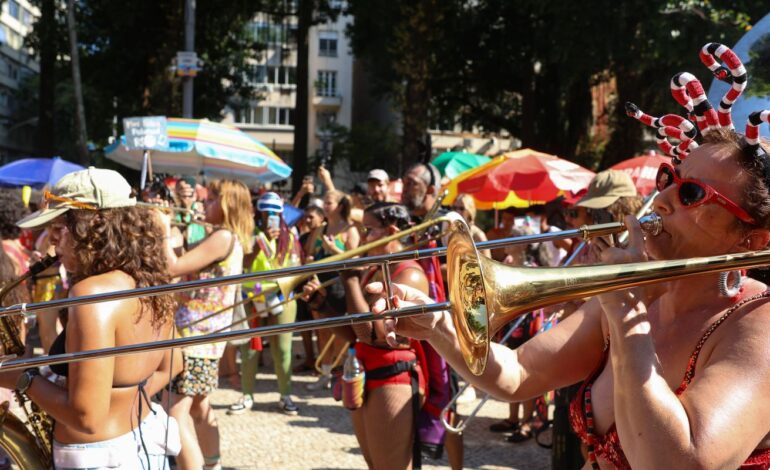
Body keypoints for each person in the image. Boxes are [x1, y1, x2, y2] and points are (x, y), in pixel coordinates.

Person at [374, 52, 770, 466]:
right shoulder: (633, 300)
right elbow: (518, 374)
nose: (665, 199)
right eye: (671, 178)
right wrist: (438, 326)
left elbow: (679, 462)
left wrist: (626, 314)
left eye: (693, 194)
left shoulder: (758, 327)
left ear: (751, 239)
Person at [3, 167, 181, 469]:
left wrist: (21, 377)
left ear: (94, 226)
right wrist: (120, 400)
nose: (52, 243)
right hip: (140, 447)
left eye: (59, 229)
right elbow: (172, 364)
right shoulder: (149, 279)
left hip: (97, 457)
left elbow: (87, 418)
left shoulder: (92, 294)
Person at [304, 202, 430, 470]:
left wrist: (350, 281)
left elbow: (380, 337)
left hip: (393, 376)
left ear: (391, 231)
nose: (362, 238)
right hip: (368, 372)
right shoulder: (375, 269)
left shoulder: (408, 274)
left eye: (369, 230)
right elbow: (355, 335)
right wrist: (321, 305)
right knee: (375, 464)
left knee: (391, 466)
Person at [160, 179, 254, 470]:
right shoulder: (226, 236)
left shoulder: (223, 237)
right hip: (205, 337)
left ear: (227, 205)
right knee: (200, 408)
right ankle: (212, 465)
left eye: (211, 198)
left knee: (173, 413)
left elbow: (172, 267)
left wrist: (163, 229)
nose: (204, 203)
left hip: (194, 337)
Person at [228, 192, 302, 415]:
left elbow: (298, 266)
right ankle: (247, 395)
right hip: (252, 297)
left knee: (282, 349)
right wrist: (260, 246)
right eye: (266, 212)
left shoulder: (289, 236)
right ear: (259, 212)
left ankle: (285, 395)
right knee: (249, 349)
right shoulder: (249, 234)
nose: (270, 216)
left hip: (281, 296)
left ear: (280, 214)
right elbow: (244, 263)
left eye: (274, 212)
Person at [305, 189, 360, 390]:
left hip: (340, 286)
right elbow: (310, 252)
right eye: (325, 203)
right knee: (322, 332)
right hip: (321, 285)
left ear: (340, 206)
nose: (325, 207)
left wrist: (334, 250)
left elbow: (355, 260)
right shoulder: (321, 229)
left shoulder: (350, 229)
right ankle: (325, 373)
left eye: (329, 203)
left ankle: (338, 374)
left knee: (340, 334)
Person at [451, 193, 491, 258]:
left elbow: (488, 265)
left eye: (461, 208)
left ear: (470, 212)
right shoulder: (452, 231)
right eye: (454, 208)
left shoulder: (478, 235)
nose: (457, 212)